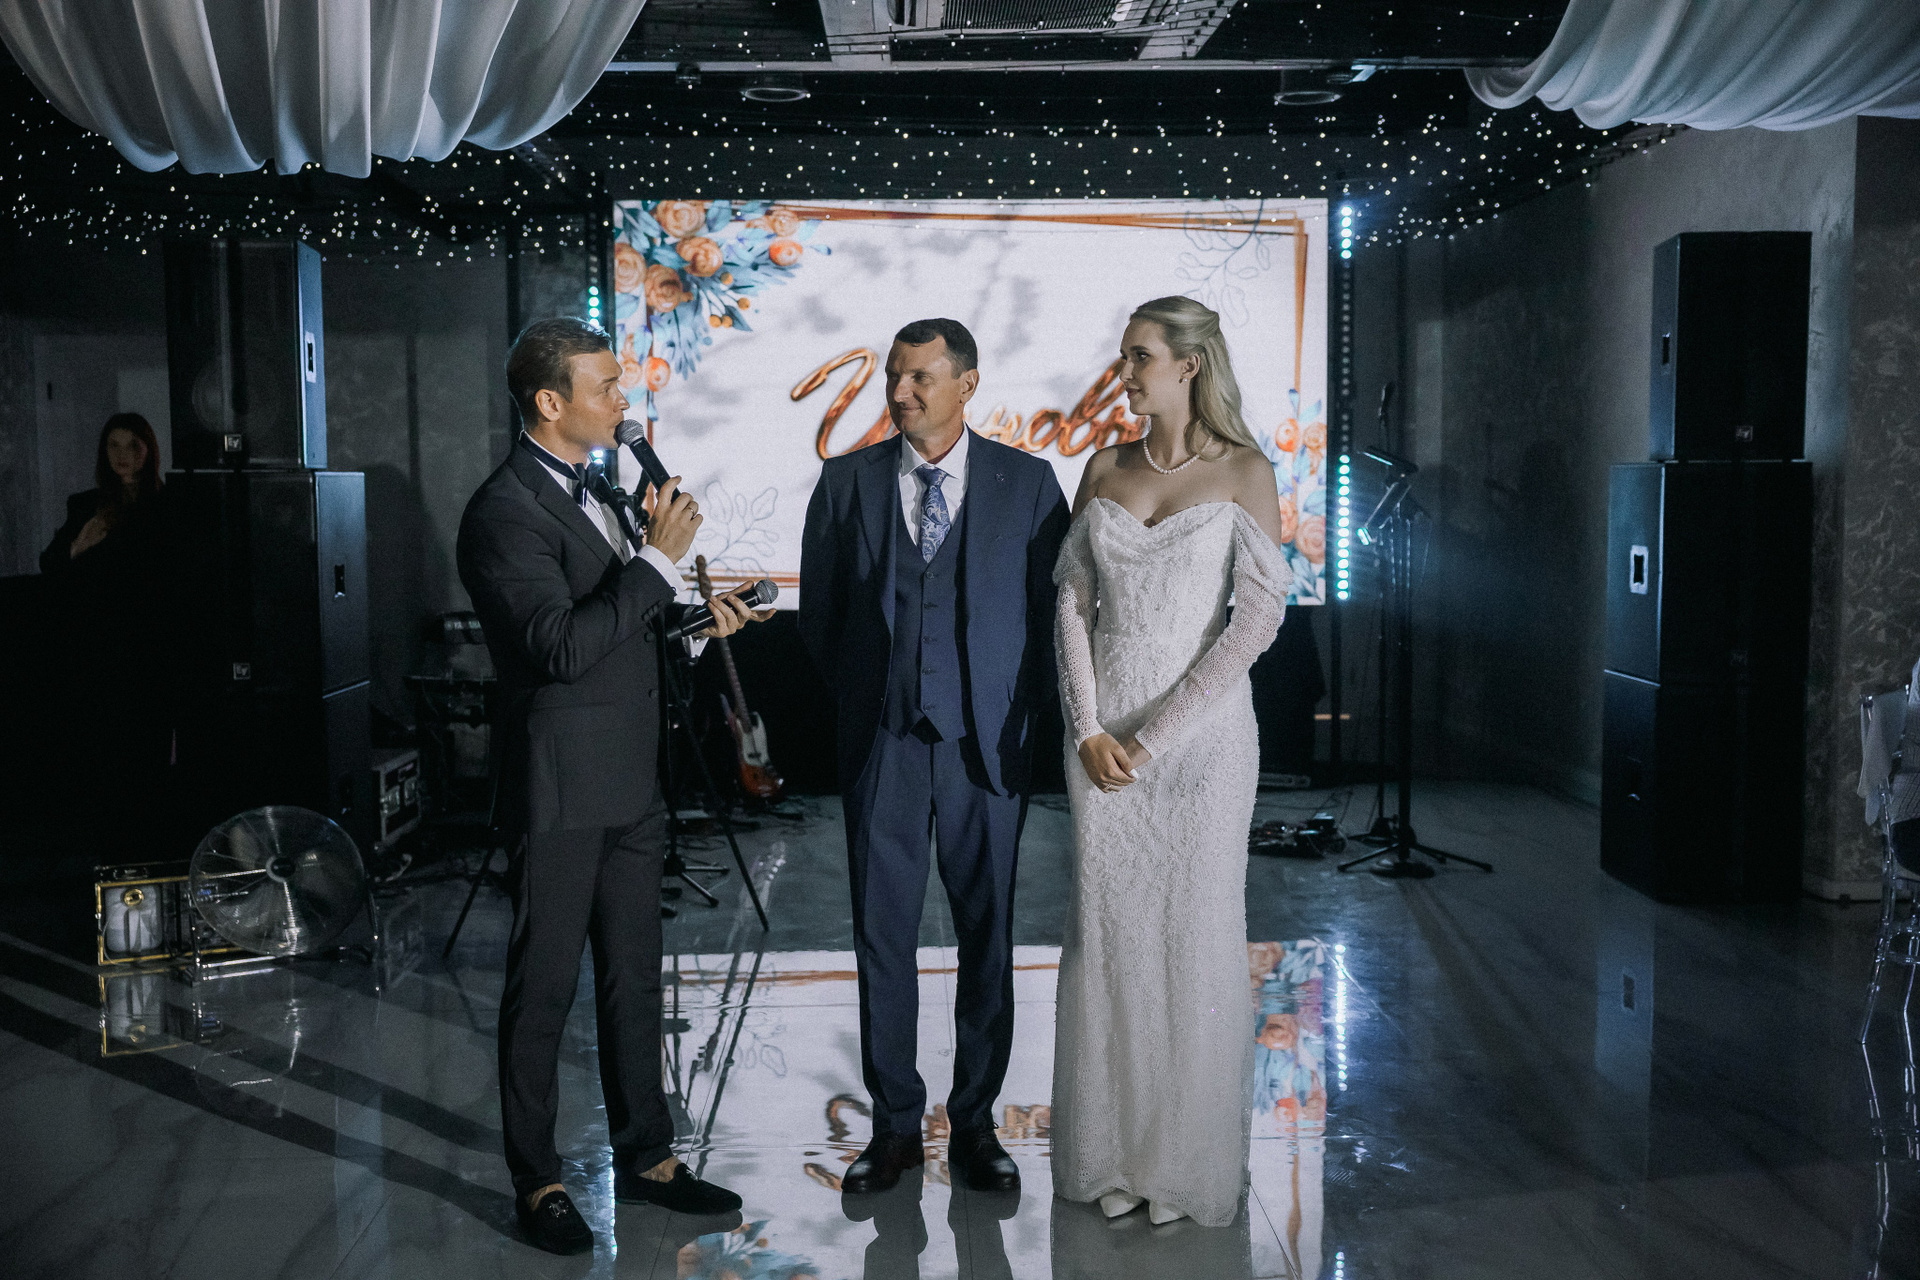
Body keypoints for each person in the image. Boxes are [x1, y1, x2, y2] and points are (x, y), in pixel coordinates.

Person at [456, 317, 767, 1255]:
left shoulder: (605, 491)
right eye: (607, 388)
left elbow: (624, 630)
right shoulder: (503, 511)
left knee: (635, 975)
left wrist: (696, 627)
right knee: (544, 987)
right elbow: (558, 647)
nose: (624, 403)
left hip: (633, 779)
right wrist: (657, 561)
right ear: (551, 402)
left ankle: (650, 1158)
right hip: (560, 785)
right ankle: (539, 1179)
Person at [799, 318, 1071, 1197]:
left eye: (920, 377)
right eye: (894, 376)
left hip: (985, 746)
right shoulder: (845, 482)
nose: (901, 392)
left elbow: (1054, 618)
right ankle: (893, 1129)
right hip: (883, 742)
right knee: (882, 936)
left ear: (967, 384)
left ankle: (977, 1124)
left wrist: (1017, 716)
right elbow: (821, 619)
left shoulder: (1030, 483)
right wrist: (866, 703)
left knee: (989, 935)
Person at [1050, 295, 1291, 1228]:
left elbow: (1256, 621)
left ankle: (1182, 1165)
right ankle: (1114, 1153)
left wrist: (1155, 738)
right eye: (1123, 356)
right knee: (1110, 942)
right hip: (1102, 740)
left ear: (1189, 365)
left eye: (1138, 356)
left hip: (1201, 744)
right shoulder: (1103, 467)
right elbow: (1071, 605)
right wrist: (1089, 728)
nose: (1124, 372)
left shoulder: (1245, 471)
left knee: (1193, 939)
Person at [39, 412, 172, 858]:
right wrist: (80, 545)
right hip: (98, 652)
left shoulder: (167, 505)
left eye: (133, 445)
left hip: (149, 652)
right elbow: (51, 565)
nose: (123, 455)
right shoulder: (86, 505)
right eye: (114, 445)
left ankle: (149, 849)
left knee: (148, 756)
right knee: (105, 757)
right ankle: (111, 853)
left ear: (148, 450)